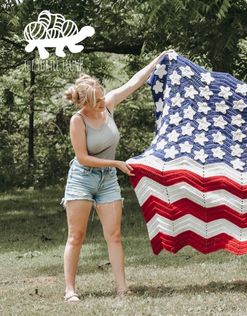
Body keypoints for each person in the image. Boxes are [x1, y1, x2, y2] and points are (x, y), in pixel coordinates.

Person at [60, 49, 173, 302]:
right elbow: (82, 157)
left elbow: (134, 82)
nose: (102, 103)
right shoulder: (77, 121)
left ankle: (123, 288)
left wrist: (159, 59)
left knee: (114, 235)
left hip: (107, 179)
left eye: (102, 97)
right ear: (84, 104)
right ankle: (70, 290)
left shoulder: (109, 105)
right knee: (75, 236)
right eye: (97, 102)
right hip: (83, 177)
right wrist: (117, 162)